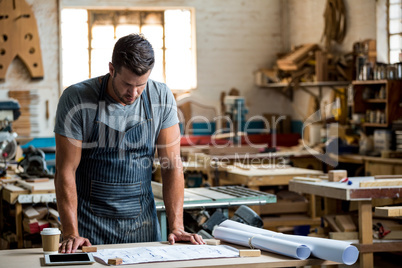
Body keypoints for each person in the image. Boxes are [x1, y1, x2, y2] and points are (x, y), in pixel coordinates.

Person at [54, 33, 204, 253]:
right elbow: (65, 170)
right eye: (127, 84)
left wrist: (177, 227)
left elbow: (171, 165)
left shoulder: (161, 97)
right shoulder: (76, 98)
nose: (133, 93)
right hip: (89, 229)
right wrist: (71, 233)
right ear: (112, 69)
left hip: (142, 226)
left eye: (141, 85)